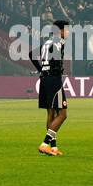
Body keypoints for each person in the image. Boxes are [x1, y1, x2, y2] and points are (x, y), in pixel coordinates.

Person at [31, 19, 69, 156]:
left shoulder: (47, 42)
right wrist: (56, 68)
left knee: (51, 113)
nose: (68, 32)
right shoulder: (58, 42)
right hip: (54, 79)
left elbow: (31, 54)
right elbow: (57, 58)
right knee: (63, 114)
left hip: (44, 79)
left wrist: (41, 69)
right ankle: (44, 144)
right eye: (67, 29)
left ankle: (53, 148)